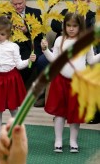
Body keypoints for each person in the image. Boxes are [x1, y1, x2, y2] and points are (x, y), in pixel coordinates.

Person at [41, 12, 100, 153]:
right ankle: (58, 140)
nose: (71, 28)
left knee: (75, 113)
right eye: (68, 25)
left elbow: (91, 60)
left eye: (75, 26)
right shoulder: (59, 40)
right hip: (60, 82)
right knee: (60, 113)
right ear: (64, 26)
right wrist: (44, 50)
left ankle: (73, 141)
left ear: (81, 27)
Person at [9, 0, 44, 105]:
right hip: (15, 46)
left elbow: (41, 33)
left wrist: (27, 30)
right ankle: (14, 93)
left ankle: (21, 93)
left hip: (33, 44)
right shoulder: (8, 15)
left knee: (31, 62)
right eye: (15, 4)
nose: (18, 6)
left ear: (25, 1)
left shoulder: (36, 12)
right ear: (11, 4)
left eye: (20, 3)